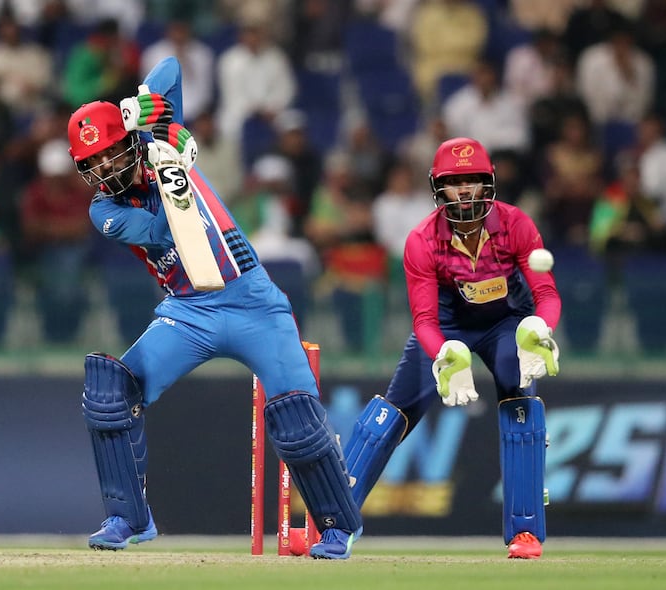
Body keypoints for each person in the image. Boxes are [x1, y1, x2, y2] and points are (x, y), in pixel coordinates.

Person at [67, 56, 362, 558]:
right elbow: (167, 230)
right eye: (91, 164)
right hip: (188, 312)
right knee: (110, 391)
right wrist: (174, 163)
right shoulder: (106, 211)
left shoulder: (158, 138)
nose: (103, 171)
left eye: (111, 155)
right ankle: (127, 518)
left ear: (130, 142)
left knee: (295, 414)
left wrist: (144, 110)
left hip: (254, 304)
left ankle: (336, 526)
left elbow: (171, 68)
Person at [339, 137, 562, 559]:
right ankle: (332, 523)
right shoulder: (422, 239)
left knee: (520, 399)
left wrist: (540, 327)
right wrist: (444, 352)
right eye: (455, 182)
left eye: (474, 181)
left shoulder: (516, 225)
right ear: (438, 187)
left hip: (506, 325)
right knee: (392, 412)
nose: (465, 191)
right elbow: (424, 320)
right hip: (446, 328)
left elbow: (547, 294)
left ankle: (525, 533)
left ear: (488, 184)